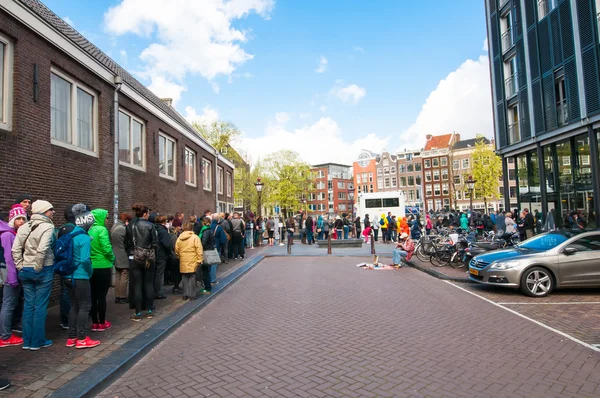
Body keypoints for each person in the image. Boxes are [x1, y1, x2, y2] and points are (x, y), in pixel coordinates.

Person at [12, 200, 55, 350]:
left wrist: (20, 266)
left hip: (25, 269)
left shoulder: (24, 227)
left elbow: (15, 248)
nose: (52, 212)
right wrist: (38, 267)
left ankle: (27, 341)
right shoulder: (48, 226)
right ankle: (37, 341)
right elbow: (42, 248)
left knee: (29, 305)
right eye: (50, 210)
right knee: (40, 306)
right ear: (43, 211)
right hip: (42, 269)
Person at [59, 204, 100, 349]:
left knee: (74, 306)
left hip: (67, 276)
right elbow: (84, 259)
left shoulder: (70, 234)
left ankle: (72, 338)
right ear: (87, 222)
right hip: (80, 276)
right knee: (84, 306)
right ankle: (82, 338)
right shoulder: (84, 237)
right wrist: (90, 272)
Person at [125, 203, 158, 322]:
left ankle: (137, 312)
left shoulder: (131, 226)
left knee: (137, 285)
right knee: (148, 284)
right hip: (148, 257)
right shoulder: (150, 225)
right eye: (148, 213)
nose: (149, 215)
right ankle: (149, 310)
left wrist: (131, 253)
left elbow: (126, 242)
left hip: (135, 257)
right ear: (144, 214)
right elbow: (155, 242)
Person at [0, 205, 27, 347]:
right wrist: (12, 278)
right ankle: (5, 336)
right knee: (8, 304)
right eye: (19, 219)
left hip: (11, 275)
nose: (22, 221)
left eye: (24, 218)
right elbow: (8, 259)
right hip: (10, 276)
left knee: (10, 303)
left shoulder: (13, 234)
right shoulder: (7, 235)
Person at [88, 209, 115, 332]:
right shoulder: (102, 230)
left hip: (91, 266)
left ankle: (94, 322)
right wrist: (112, 258)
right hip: (103, 266)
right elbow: (106, 248)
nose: (107, 220)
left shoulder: (88, 229)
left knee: (93, 295)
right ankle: (102, 322)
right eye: (106, 217)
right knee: (102, 296)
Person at [176, 222, 204, 300]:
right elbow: (199, 249)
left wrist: (180, 256)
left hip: (183, 259)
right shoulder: (195, 237)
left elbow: (176, 249)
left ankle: (185, 294)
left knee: (184, 276)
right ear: (192, 228)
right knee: (192, 276)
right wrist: (200, 259)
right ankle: (192, 294)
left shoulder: (180, 237)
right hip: (193, 259)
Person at [111, 212, 131, 304]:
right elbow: (128, 242)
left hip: (115, 254)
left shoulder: (114, 227)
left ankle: (117, 296)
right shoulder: (123, 229)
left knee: (118, 275)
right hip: (123, 254)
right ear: (126, 220)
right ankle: (122, 296)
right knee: (124, 274)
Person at [153, 214, 172, 300]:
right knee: (160, 275)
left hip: (154, 254)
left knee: (155, 273)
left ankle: (154, 290)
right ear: (164, 222)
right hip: (161, 255)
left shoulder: (153, 228)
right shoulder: (163, 231)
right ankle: (159, 292)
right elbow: (167, 244)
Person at [210, 214, 227, 285]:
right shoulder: (219, 228)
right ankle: (212, 280)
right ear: (218, 219)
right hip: (216, 247)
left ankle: (206, 280)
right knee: (214, 264)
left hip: (207, 247)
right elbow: (224, 239)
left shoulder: (207, 226)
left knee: (207, 264)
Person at [169, 219, 183, 294]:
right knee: (177, 273)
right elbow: (175, 246)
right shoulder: (174, 236)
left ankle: (176, 286)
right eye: (180, 226)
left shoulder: (174, 234)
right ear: (177, 227)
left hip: (174, 256)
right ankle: (176, 287)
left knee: (177, 273)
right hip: (175, 257)